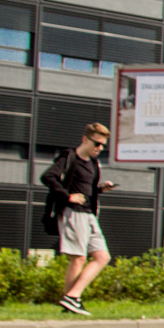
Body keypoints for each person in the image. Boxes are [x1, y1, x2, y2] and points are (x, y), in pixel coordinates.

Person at [40, 123, 115, 316]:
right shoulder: (69, 157)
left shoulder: (93, 163)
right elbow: (48, 177)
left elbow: (85, 189)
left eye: (102, 146)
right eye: (97, 144)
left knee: (102, 257)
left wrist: (99, 189)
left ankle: (71, 297)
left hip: (89, 213)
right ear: (84, 139)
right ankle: (71, 300)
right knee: (78, 258)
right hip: (73, 212)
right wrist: (67, 196)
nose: (99, 148)